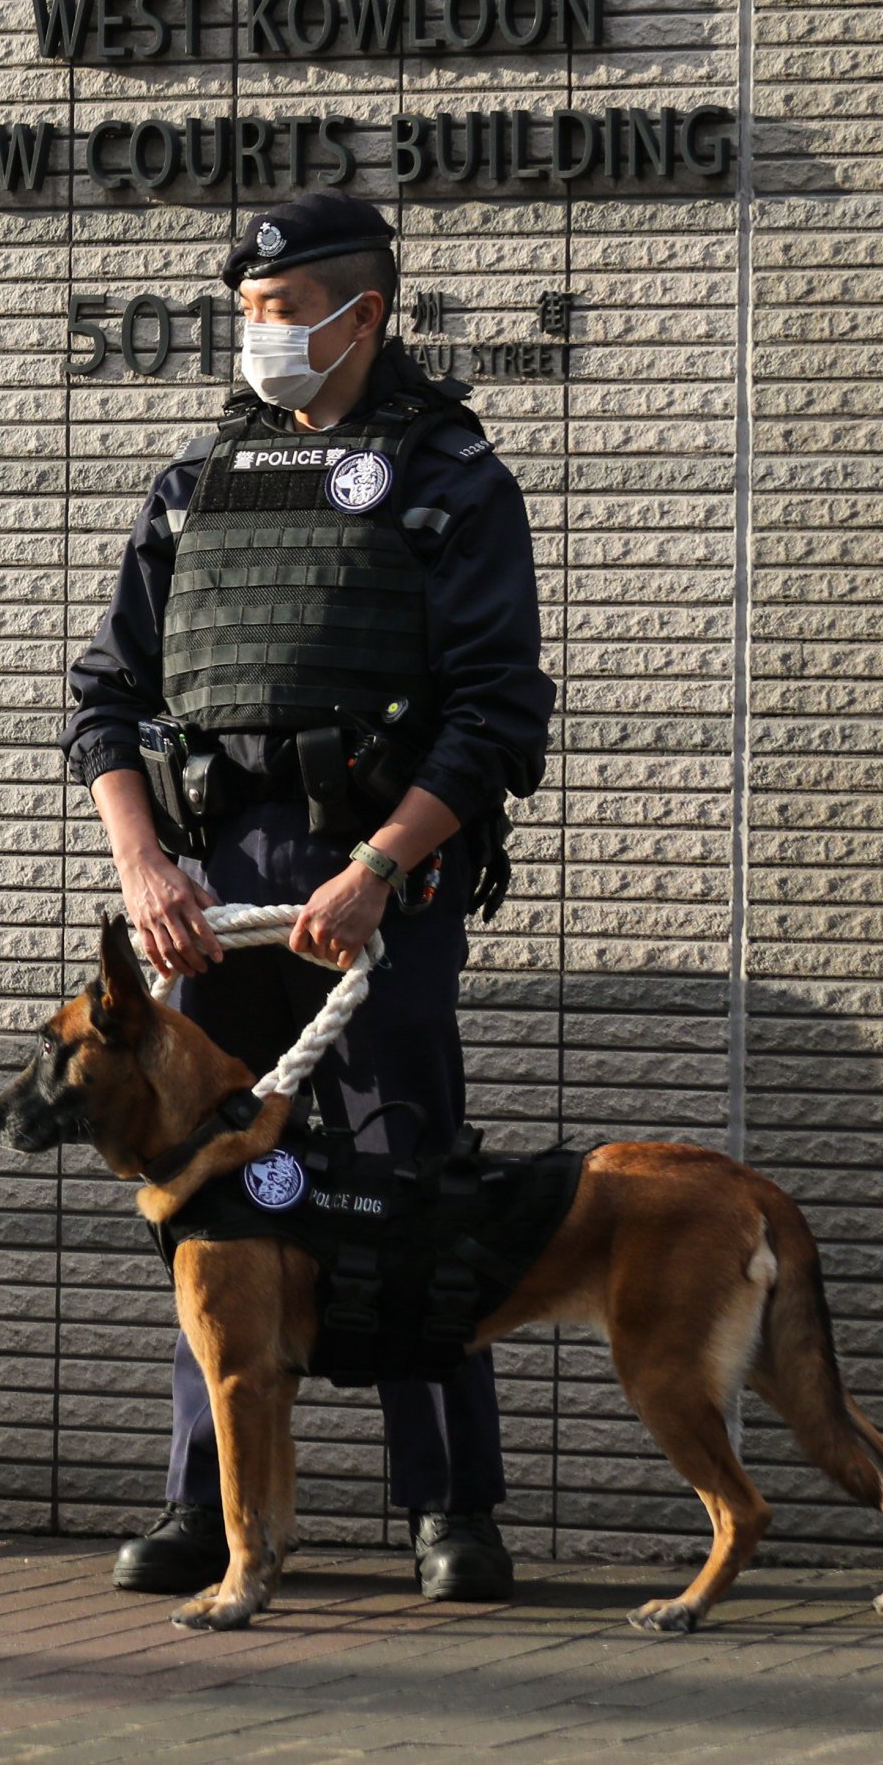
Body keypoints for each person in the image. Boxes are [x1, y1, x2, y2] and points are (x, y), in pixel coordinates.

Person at [62, 189, 554, 1604]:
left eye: (283, 313)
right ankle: (211, 1512)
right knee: (217, 1191)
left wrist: (383, 864)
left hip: (373, 886)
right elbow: (106, 701)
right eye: (250, 316)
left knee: (404, 1187)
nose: (261, 338)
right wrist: (146, 865)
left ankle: (449, 1509)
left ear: (364, 313)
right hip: (216, 895)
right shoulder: (196, 484)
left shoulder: (450, 475)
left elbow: (496, 715)